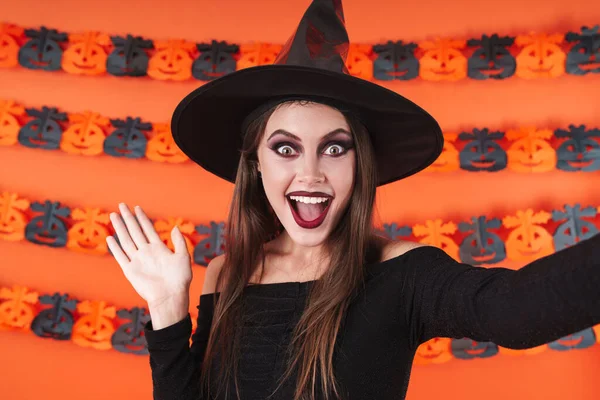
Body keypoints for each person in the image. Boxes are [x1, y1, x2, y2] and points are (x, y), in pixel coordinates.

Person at [106, 1, 600, 399]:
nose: (311, 172)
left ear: (359, 163)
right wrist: (168, 307)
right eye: (285, 148)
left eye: (335, 148)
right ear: (255, 164)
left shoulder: (404, 274)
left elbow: (514, 310)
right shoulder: (226, 274)